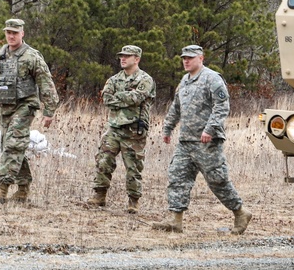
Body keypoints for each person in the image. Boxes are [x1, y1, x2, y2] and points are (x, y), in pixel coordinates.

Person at [151, 45, 252, 234]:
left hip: (207, 142)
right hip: (186, 141)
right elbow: (176, 107)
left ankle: (240, 212)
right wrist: (168, 128)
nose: (186, 61)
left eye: (190, 57)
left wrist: (210, 129)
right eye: (184, 58)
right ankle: (175, 220)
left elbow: (222, 106)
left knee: (217, 180)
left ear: (201, 58)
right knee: (177, 177)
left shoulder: (212, 78)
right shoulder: (185, 81)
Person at [0, 18, 59, 204]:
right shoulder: (0, 55)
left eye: (15, 33)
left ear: (22, 33)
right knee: (12, 146)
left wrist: (49, 110)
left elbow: (46, 84)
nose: (11, 36)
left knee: (12, 145)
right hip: (5, 108)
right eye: (8, 32)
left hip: (25, 107)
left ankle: (2, 188)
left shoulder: (32, 56)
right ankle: (23, 189)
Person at [86, 45, 156, 213]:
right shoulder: (114, 79)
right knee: (104, 161)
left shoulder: (145, 79)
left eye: (127, 56)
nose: (122, 59)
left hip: (134, 131)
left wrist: (121, 97)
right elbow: (106, 99)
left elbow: (137, 98)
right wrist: (126, 96)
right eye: (121, 56)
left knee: (133, 166)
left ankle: (133, 201)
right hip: (114, 128)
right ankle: (99, 195)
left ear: (136, 59)